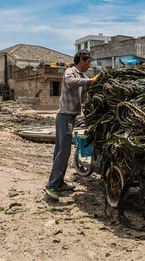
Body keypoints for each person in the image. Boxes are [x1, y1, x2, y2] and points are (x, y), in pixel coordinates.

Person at [45, 50, 98, 200]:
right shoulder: (71, 72)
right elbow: (69, 82)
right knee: (63, 151)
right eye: (88, 62)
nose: (89, 65)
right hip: (64, 116)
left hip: (71, 116)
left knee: (62, 151)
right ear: (81, 60)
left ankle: (59, 182)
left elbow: (89, 87)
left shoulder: (83, 76)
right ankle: (51, 185)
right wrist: (89, 81)